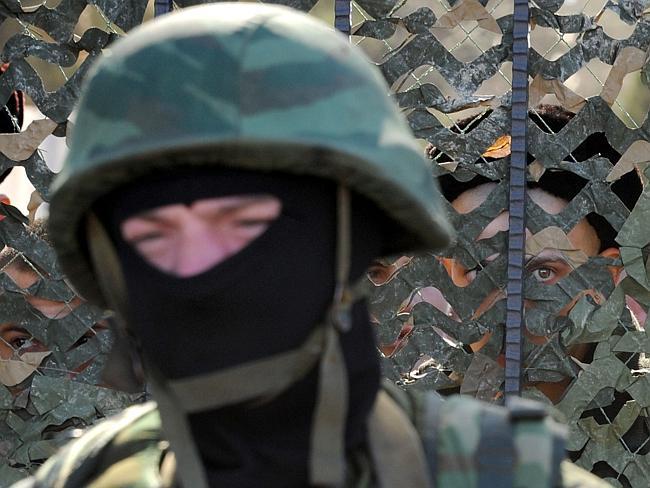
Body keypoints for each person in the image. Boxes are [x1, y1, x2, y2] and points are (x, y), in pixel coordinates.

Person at [15, 5, 608, 487]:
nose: (196, 269)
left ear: (353, 244)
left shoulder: (495, 474)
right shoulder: (89, 473)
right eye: (154, 238)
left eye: (242, 224)